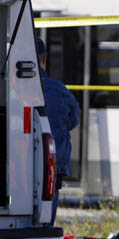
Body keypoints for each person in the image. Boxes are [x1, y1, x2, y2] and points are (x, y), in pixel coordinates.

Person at [35, 38, 80, 225]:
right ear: (44, 60)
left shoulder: (10, 88)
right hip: (51, 169)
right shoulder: (59, 90)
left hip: (16, 170)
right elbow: (73, 119)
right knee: (45, 225)